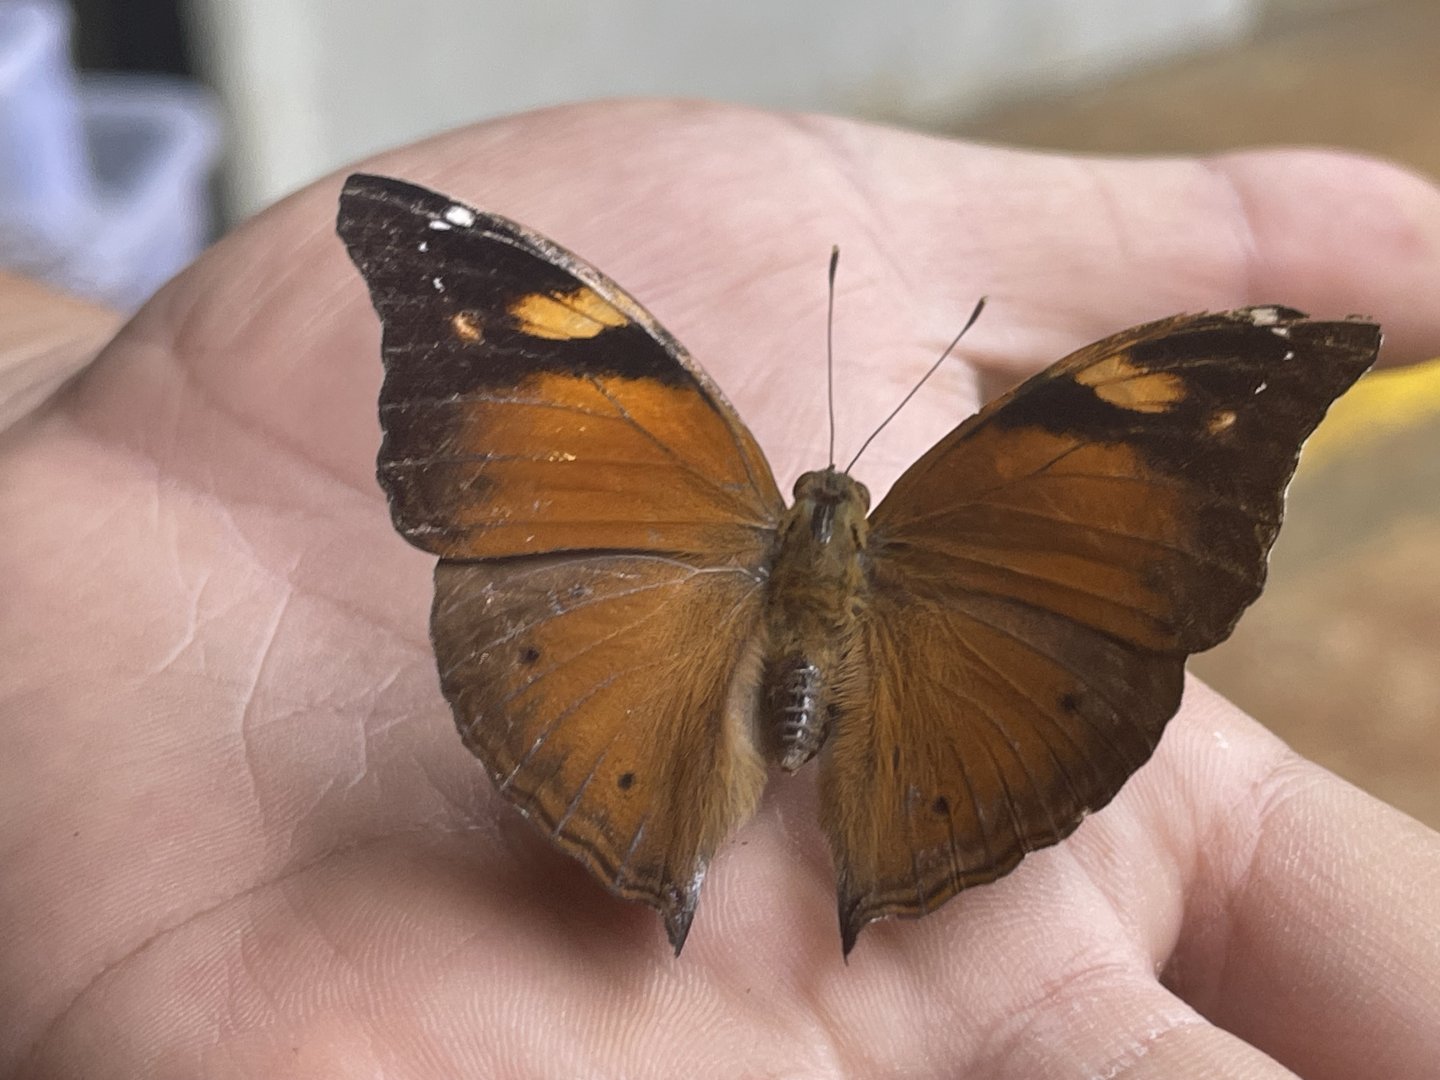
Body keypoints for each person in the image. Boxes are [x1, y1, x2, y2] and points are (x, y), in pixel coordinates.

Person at [2, 100, 1438, 1077]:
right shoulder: (953, 505)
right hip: (983, 671)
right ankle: (737, 851)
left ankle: (736, 848)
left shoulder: (689, 463)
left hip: (667, 637)